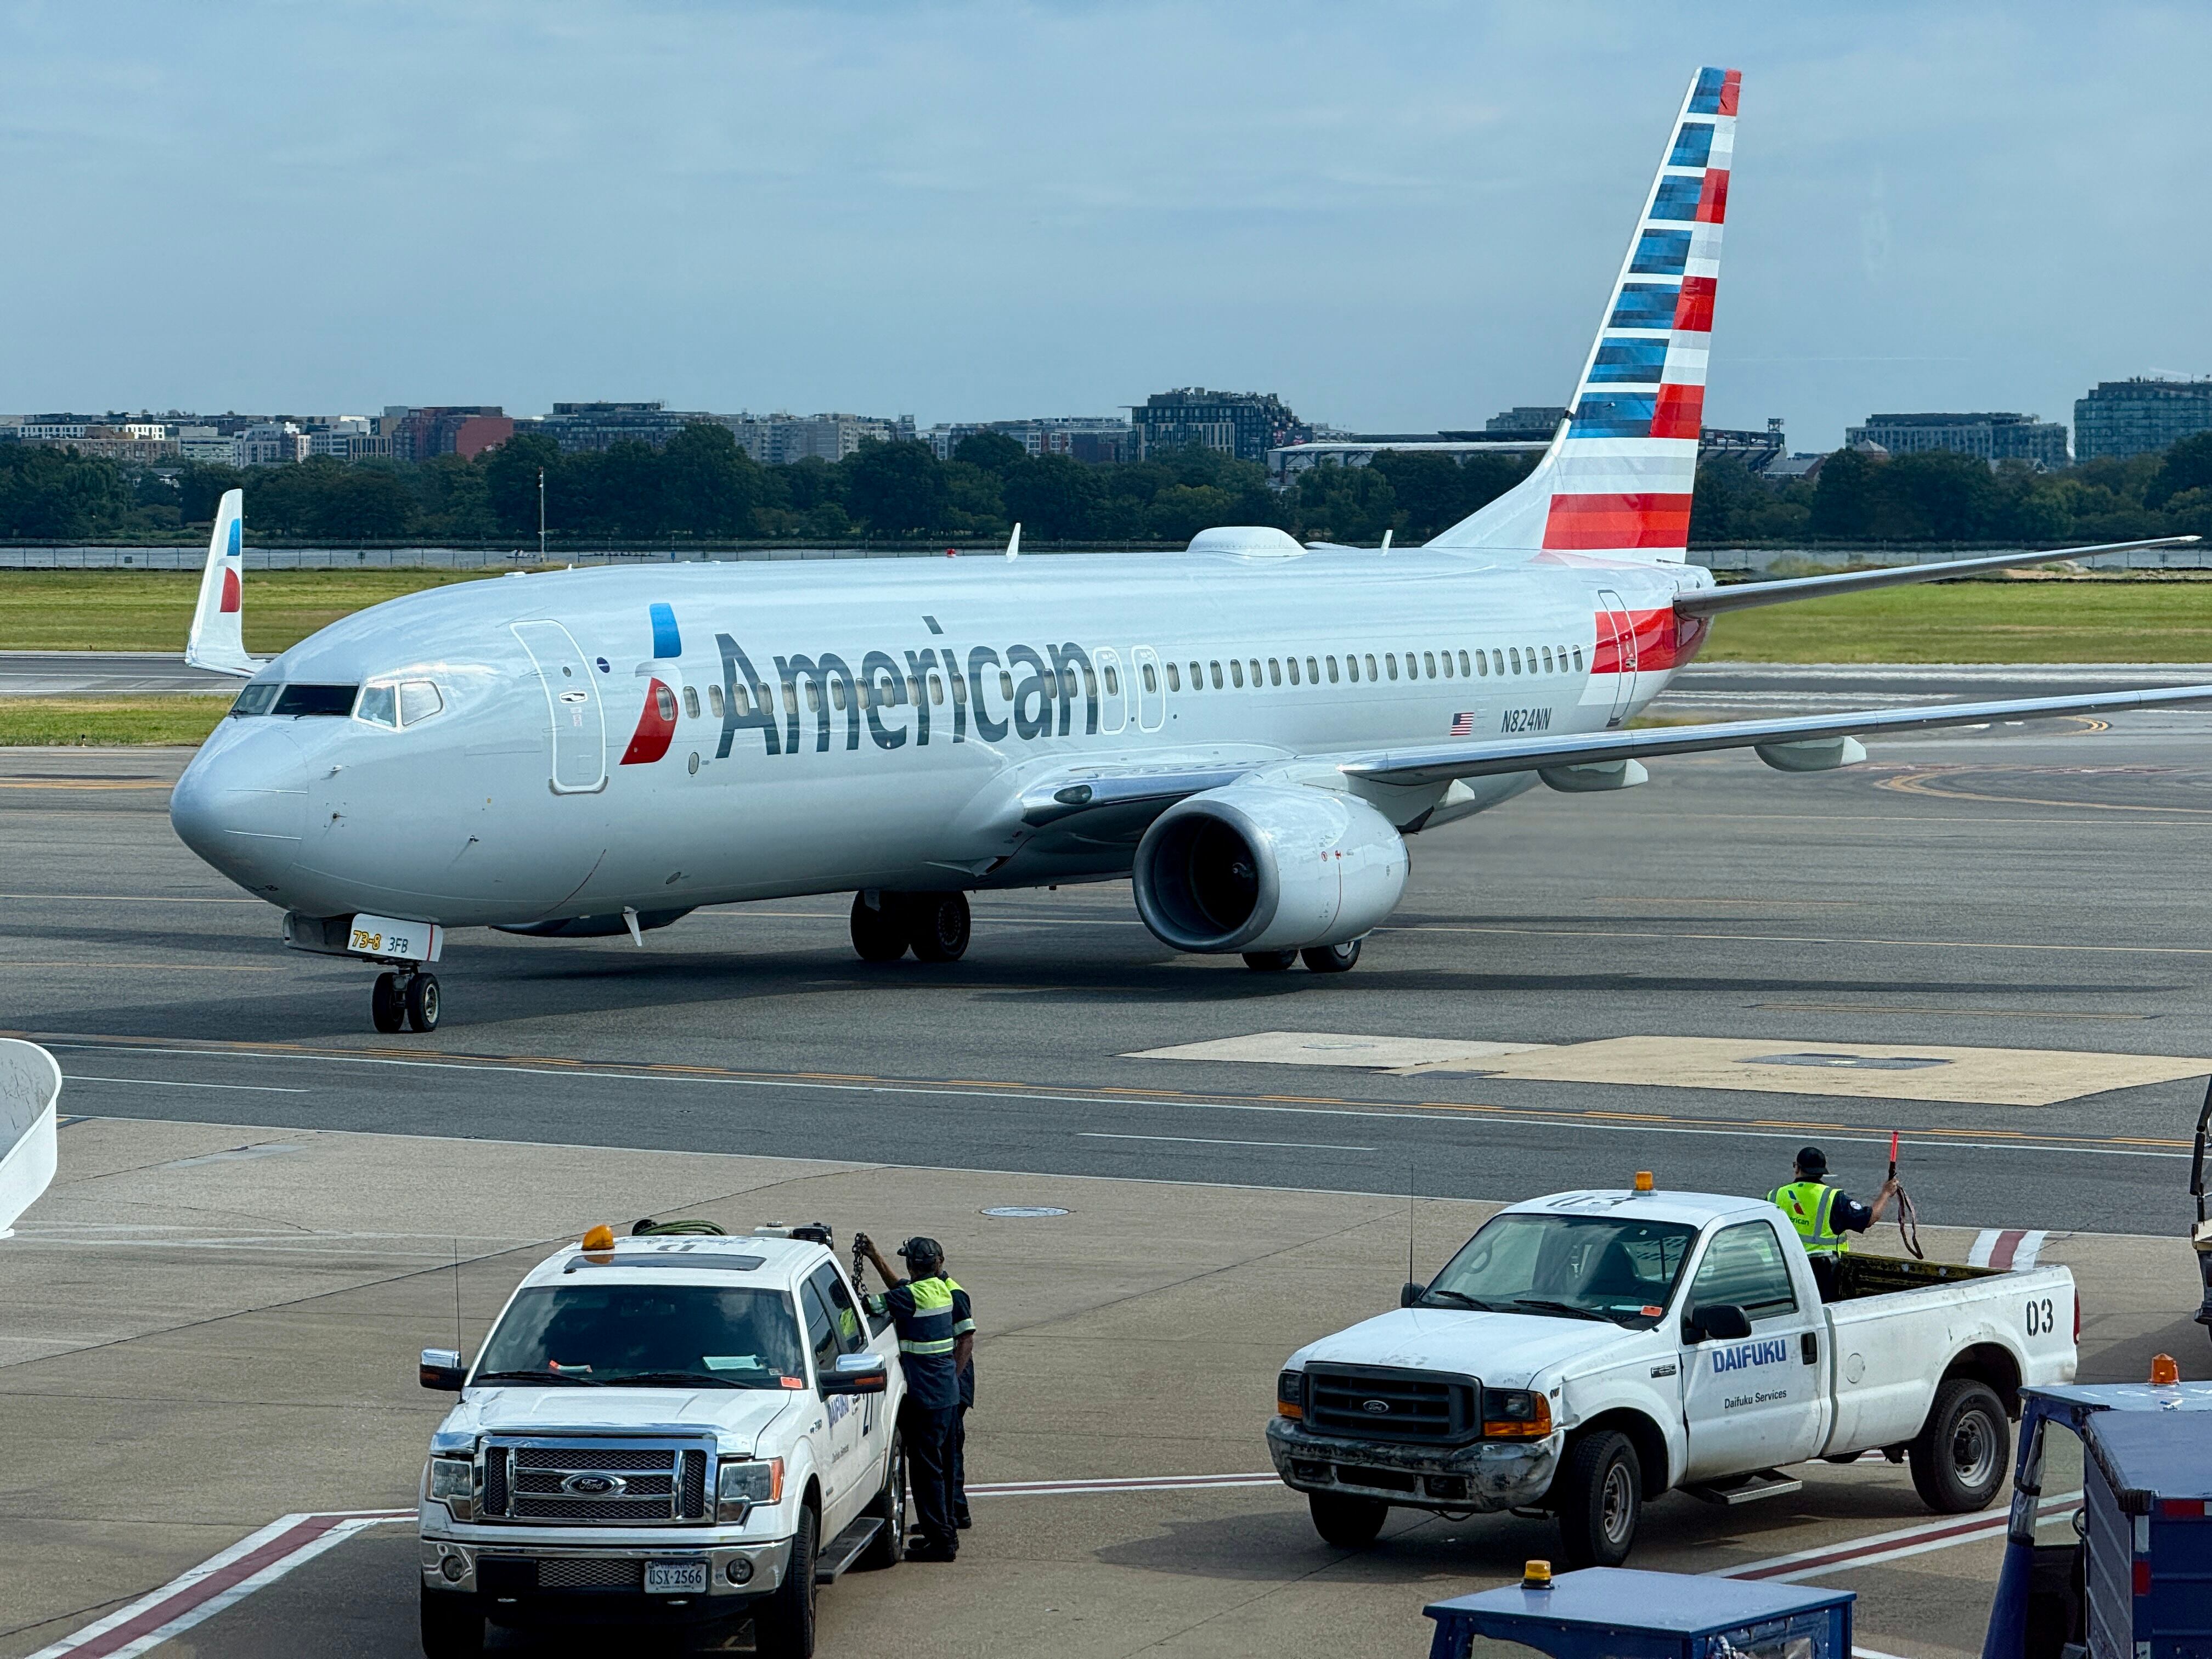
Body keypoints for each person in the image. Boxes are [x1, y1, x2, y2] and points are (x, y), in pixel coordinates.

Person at [857, 1233, 974, 1562]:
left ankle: (941, 1542)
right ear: (938, 1265)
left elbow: (869, 1307)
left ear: (911, 1265)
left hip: (926, 1397)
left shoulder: (910, 1297)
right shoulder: (942, 1291)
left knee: (926, 1473)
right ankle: (945, 1529)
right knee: (942, 1467)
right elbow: (904, 1291)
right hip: (948, 1393)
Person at [1769, 1144, 1900, 1302]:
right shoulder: (1832, 1198)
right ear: (1822, 1171)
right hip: (1824, 1274)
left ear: (1797, 1168)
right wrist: (1886, 1193)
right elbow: (1869, 1218)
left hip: (1786, 1269)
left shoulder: (1776, 1195)